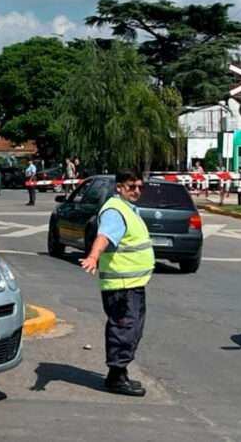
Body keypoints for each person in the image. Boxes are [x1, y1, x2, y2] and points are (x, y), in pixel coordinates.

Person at [80, 170, 154, 397]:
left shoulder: (128, 209)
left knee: (131, 329)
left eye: (140, 187)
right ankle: (116, 377)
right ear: (119, 187)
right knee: (124, 328)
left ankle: (120, 374)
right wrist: (93, 256)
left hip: (131, 283)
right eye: (131, 186)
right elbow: (103, 237)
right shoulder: (115, 211)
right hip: (121, 285)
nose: (137, 191)